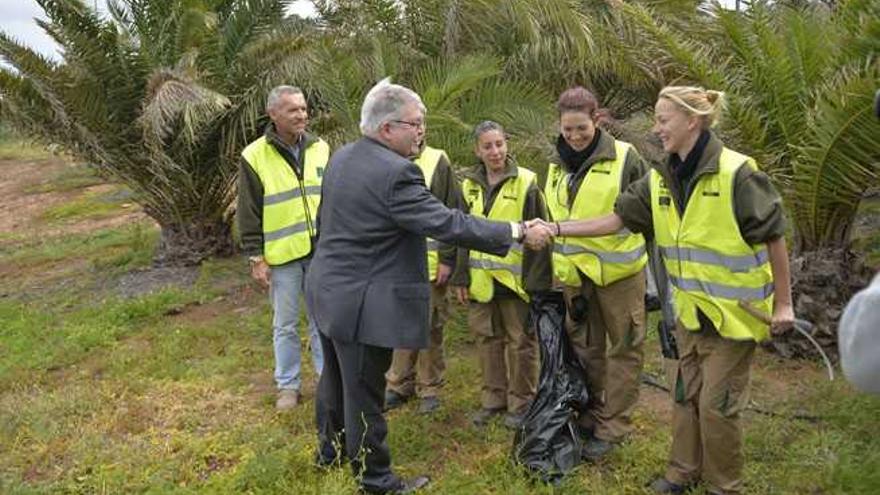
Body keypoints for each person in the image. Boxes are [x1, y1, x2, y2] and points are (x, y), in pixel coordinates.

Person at [528, 86, 795, 495]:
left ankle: (725, 486)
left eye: (663, 120)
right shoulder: (660, 178)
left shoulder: (737, 173)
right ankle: (681, 472)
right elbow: (616, 219)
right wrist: (556, 228)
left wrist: (784, 304)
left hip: (737, 316)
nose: (655, 129)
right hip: (687, 313)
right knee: (683, 396)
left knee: (716, 407)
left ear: (692, 121)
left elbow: (774, 235)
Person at [306, 79, 547, 494]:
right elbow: (448, 222)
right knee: (364, 392)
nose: (422, 131)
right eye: (414, 124)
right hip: (363, 302)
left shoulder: (344, 156)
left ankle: (330, 454)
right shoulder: (398, 172)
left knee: (335, 382)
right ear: (386, 129)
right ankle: (376, 480)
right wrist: (517, 230)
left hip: (328, 291)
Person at [543, 87, 650, 459]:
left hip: (619, 275)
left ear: (598, 120)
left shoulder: (626, 158)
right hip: (575, 278)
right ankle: (592, 412)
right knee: (585, 350)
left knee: (624, 349)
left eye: (581, 130)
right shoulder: (556, 163)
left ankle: (615, 425)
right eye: (567, 130)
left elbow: (638, 215)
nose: (573, 138)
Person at [451, 121, 553, 430]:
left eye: (499, 144)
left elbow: (541, 237)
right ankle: (492, 400)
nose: (495, 151)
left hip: (516, 282)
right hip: (482, 283)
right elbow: (458, 231)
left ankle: (521, 402)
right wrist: (460, 277)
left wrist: (538, 284)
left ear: (507, 144)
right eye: (488, 146)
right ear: (477, 150)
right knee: (487, 341)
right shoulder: (466, 184)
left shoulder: (527, 182)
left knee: (521, 343)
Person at [237, 85, 326, 410]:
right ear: (273, 114)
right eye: (293, 110)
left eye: (303, 108)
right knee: (285, 325)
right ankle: (288, 386)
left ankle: (327, 380)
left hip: (319, 254)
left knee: (322, 321)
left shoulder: (321, 148)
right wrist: (256, 257)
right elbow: (248, 211)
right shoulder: (254, 156)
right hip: (283, 257)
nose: (302, 115)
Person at [384, 141, 462, 414]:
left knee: (430, 327)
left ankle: (429, 387)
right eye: (411, 124)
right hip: (395, 264)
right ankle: (398, 384)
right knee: (401, 326)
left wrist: (447, 258)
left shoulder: (437, 160)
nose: (417, 130)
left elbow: (452, 212)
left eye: (420, 124)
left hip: (429, 265)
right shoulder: (384, 158)